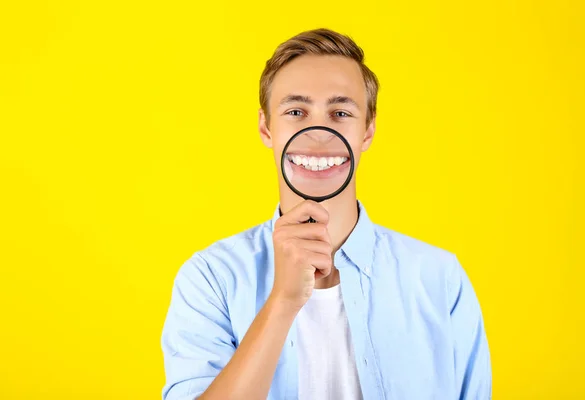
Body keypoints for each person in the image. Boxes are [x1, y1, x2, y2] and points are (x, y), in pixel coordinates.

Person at [160, 28, 491, 400]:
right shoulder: (210, 279)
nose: (318, 136)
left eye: (340, 112)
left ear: (367, 130)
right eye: (296, 111)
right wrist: (283, 301)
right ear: (267, 127)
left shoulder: (439, 279)